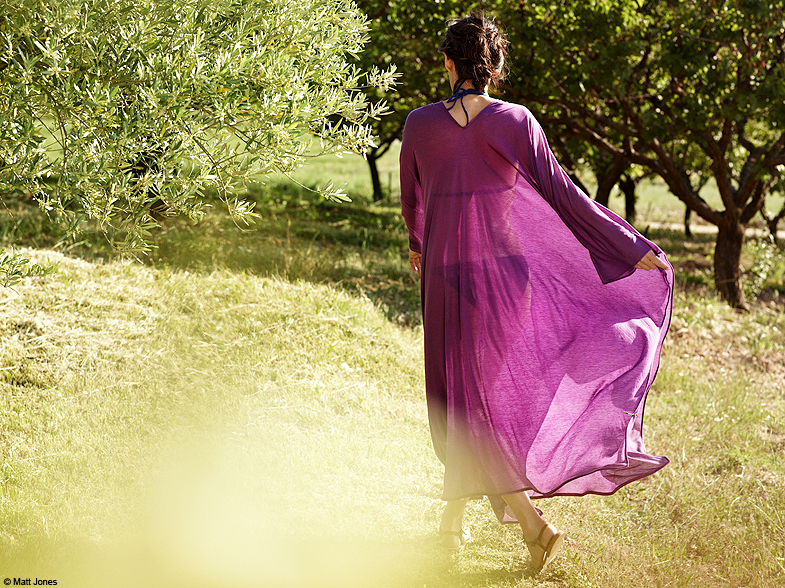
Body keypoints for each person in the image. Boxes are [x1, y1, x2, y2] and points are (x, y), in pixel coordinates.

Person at [399, 12, 673, 575]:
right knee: (471, 407)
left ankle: (527, 529)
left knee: (464, 407)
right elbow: (566, 197)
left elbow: (413, 205)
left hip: (447, 281)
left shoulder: (418, 125)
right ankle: (456, 530)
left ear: (447, 63)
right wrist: (628, 245)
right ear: (494, 68)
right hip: (504, 281)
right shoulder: (517, 121)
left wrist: (418, 246)